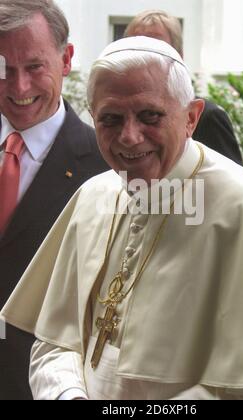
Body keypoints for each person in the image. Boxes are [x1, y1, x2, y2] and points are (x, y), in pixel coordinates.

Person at [1, 36, 243, 400]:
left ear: (191, 117)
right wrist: (66, 394)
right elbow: (53, 343)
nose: (129, 136)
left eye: (150, 116)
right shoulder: (92, 196)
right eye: (110, 119)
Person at [0, 0, 108, 400]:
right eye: (4, 70)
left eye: (33, 67)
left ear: (66, 59)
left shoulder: (106, 167)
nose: (19, 87)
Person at [124, 10, 243, 165]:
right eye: (135, 48)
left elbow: (230, 183)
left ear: (178, 56)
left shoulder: (207, 117)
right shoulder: (115, 117)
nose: (143, 57)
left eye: (154, 49)